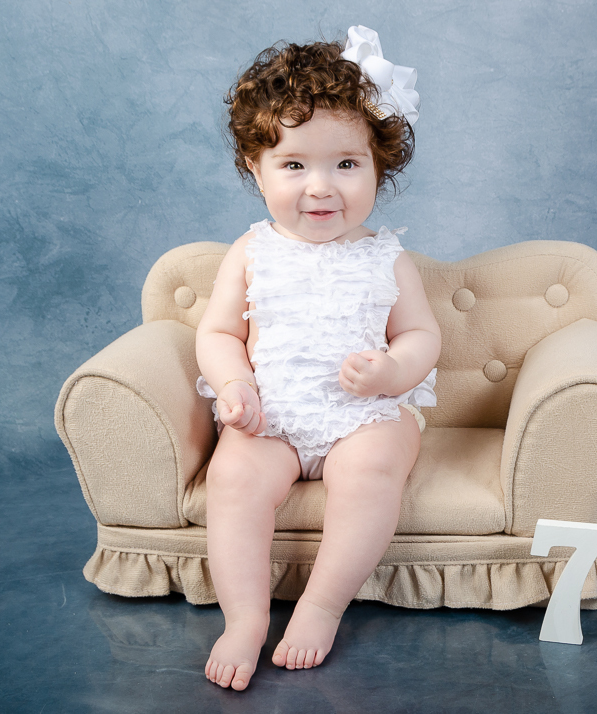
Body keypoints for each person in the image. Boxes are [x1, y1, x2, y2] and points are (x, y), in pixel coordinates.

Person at [195, 26, 440, 691]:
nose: (322, 187)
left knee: (372, 467)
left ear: (378, 166)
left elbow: (421, 335)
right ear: (257, 168)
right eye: (295, 165)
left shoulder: (386, 257)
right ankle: (245, 617)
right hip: (272, 416)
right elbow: (217, 334)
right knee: (234, 478)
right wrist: (235, 383)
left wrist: (392, 371)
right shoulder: (250, 253)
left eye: (347, 164)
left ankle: (322, 605)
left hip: (364, 415)